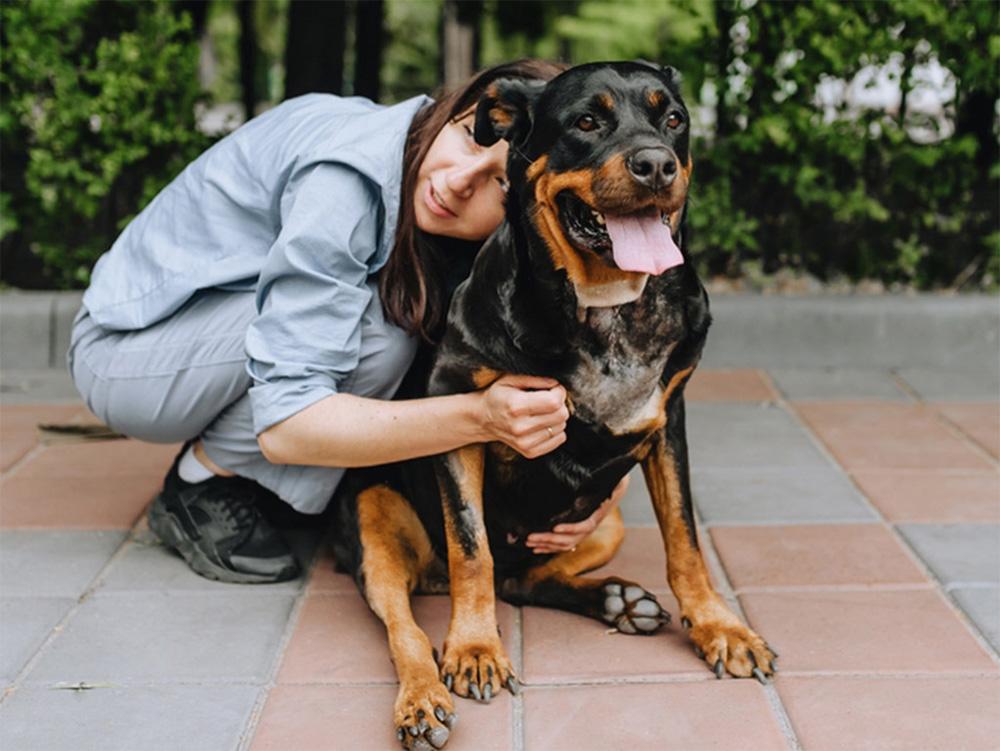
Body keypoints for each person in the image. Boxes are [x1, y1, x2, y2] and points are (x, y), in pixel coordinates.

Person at [67, 59, 628, 585]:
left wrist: (603, 485)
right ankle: (201, 482)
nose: (459, 180)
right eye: (469, 137)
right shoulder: (347, 178)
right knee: (376, 339)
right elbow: (289, 423)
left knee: (385, 334)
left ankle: (275, 477)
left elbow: (586, 362)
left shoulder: (431, 190)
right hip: (129, 356)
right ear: (457, 108)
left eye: (500, 183)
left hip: (209, 332)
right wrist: (484, 418)